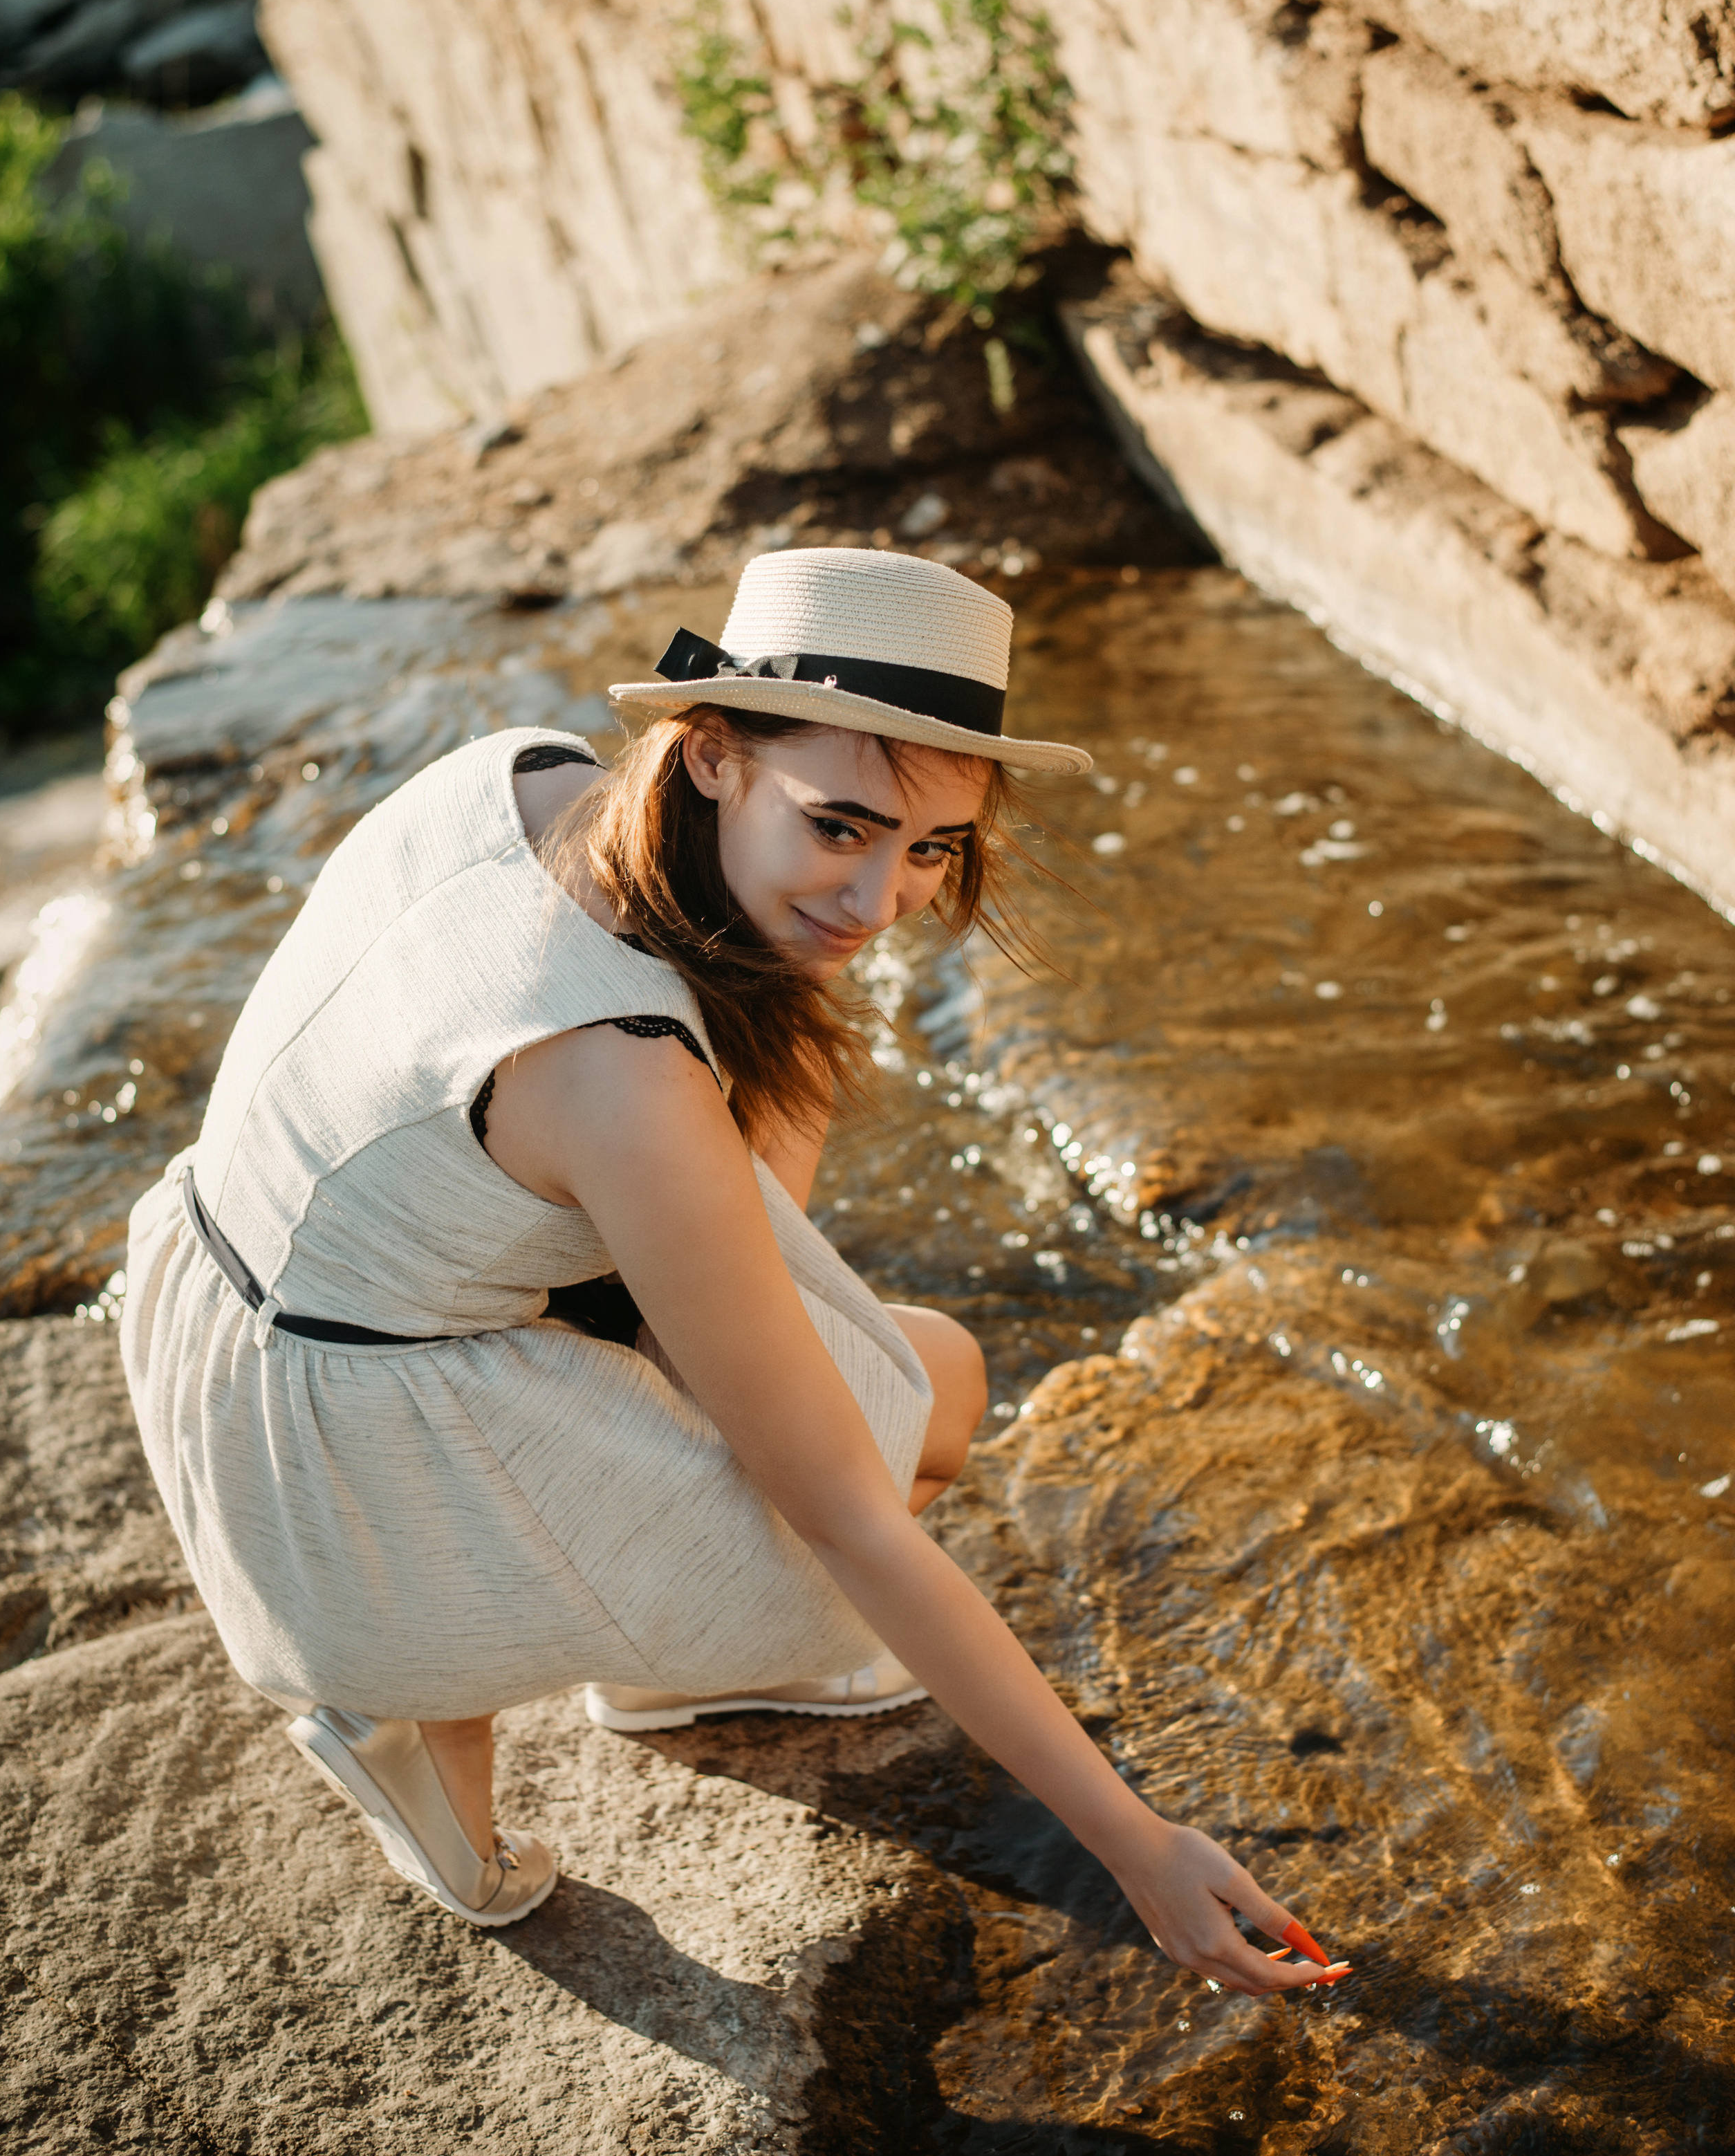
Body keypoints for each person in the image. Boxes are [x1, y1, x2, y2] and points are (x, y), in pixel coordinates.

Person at [121, 546, 1346, 1990]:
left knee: (889, 1350)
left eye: (930, 847)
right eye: (839, 826)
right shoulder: (620, 1079)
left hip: (231, 1308)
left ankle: (550, 1639)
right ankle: (417, 1696)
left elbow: (701, 1220)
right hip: (348, 1485)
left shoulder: (523, 778)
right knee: (921, 1412)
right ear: (709, 754)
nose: (882, 898)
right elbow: (846, 1517)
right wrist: (1135, 1846)